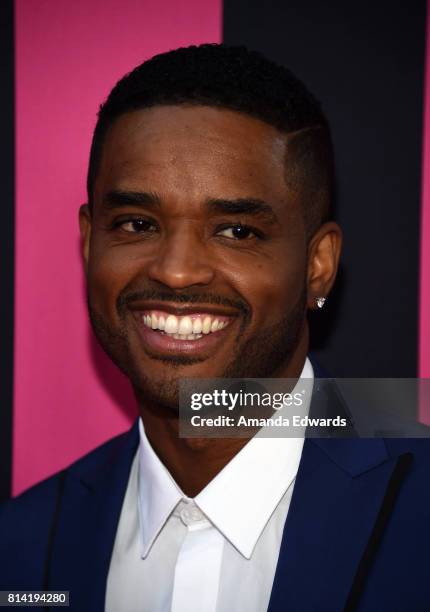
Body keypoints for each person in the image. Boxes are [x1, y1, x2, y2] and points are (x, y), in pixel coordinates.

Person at [1, 43, 430, 612]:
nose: (176, 271)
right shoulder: (21, 548)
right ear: (88, 242)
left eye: (236, 232)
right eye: (136, 223)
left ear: (317, 265)